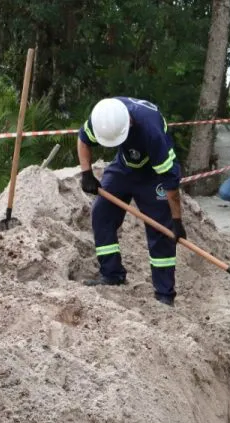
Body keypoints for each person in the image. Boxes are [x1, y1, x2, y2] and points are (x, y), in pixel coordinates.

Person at [77, 96, 185, 306]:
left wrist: (177, 221)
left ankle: (164, 293)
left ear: (129, 124)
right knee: (102, 212)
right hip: (124, 166)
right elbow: (83, 139)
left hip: (154, 174)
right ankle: (111, 273)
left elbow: (171, 186)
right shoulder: (103, 115)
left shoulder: (151, 132)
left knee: (162, 231)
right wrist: (86, 173)